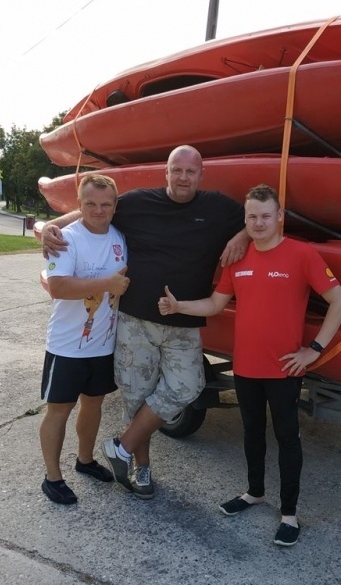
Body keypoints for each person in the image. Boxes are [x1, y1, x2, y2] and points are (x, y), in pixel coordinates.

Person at [41, 145, 248, 499]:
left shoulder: (218, 207)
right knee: (136, 397)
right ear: (165, 173)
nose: (183, 178)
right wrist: (49, 226)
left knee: (188, 385)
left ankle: (118, 447)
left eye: (190, 172)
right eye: (176, 170)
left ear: (201, 175)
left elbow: (259, 217)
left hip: (183, 321)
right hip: (133, 321)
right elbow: (93, 210)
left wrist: (243, 234)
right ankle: (140, 467)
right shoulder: (136, 203)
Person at [158, 184, 341, 546]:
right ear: (245, 220)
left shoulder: (302, 254)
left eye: (265, 216)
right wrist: (179, 306)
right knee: (252, 433)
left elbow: (339, 301)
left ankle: (289, 514)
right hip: (245, 367)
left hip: (284, 370)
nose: (259, 223)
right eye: (252, 217)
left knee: (287, 439)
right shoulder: (238, 260)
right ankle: (254, 492)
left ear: (280, 217)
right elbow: (216, 305)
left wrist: (314, 350)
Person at [39, 173, 130, 504]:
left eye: (106, 204)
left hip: (103, 345)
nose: (98, 210)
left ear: (115, 206)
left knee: (94, 405)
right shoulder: (65, 238)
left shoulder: (121, 237)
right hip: (66, 346)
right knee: (59, 410)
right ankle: (52, 477)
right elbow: (58, 287)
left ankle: (85, 460)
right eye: (90, 204)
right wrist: (106, 284)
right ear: (78, 205)